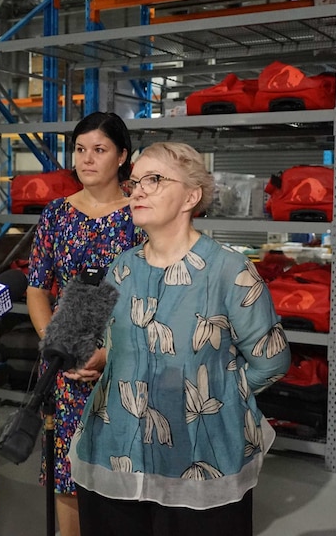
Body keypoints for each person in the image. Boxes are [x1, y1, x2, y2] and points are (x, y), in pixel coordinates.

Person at [67, 142, 291, 536]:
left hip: (198, 460)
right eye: (134, 182)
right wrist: (95, 361)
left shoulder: (230, 271)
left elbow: (271, 361)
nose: (137, 191)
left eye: (153, 180)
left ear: (192, 196)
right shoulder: (120, 268)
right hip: (113, 451)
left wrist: (217, 400)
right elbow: (107, 344)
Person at [26, 111, 142, 536]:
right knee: (67, 475)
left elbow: (156, 297)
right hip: (66, 362)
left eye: (100, 149)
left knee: (124, 475)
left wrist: (110, 352)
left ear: (122, 156)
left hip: (129, 363)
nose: (87, 159)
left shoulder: (140, 214)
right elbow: (37, 288)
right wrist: (53, 344)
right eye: (80, 149)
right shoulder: (57, 215)